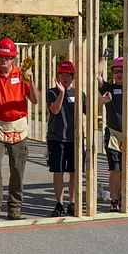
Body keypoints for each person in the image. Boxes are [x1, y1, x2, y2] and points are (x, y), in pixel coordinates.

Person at [0, 38, 39, 229]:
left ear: (14, 58)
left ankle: (15, 208)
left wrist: (31, 80)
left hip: (19, 126)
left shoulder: (22, 75)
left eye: (7, 58)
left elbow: (35, 100)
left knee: (17, 169)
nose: (4, 61)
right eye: (1, 57)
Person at [97, 56, 128, 213]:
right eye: (116, 71)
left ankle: (124, 198)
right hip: (114, 135)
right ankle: (114, 200)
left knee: (126, 170)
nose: (119, 74)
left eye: (122, 71)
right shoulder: (109, 88)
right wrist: (102, 59)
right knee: (115, 169)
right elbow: (97, 76)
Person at [45, 60, 86, 217]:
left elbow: (89, 111)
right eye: (62, 74)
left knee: (74, 172)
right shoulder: (52, 92)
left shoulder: (79, 94)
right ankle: (59, 203)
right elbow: (54, 110)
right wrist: (61, 93)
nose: (65, 78)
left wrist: (102, 101)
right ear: (58, 76)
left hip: (74, 139)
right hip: (57, 138)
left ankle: (72, 203)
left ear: (72, 76)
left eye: (68, 75)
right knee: (58, 171)